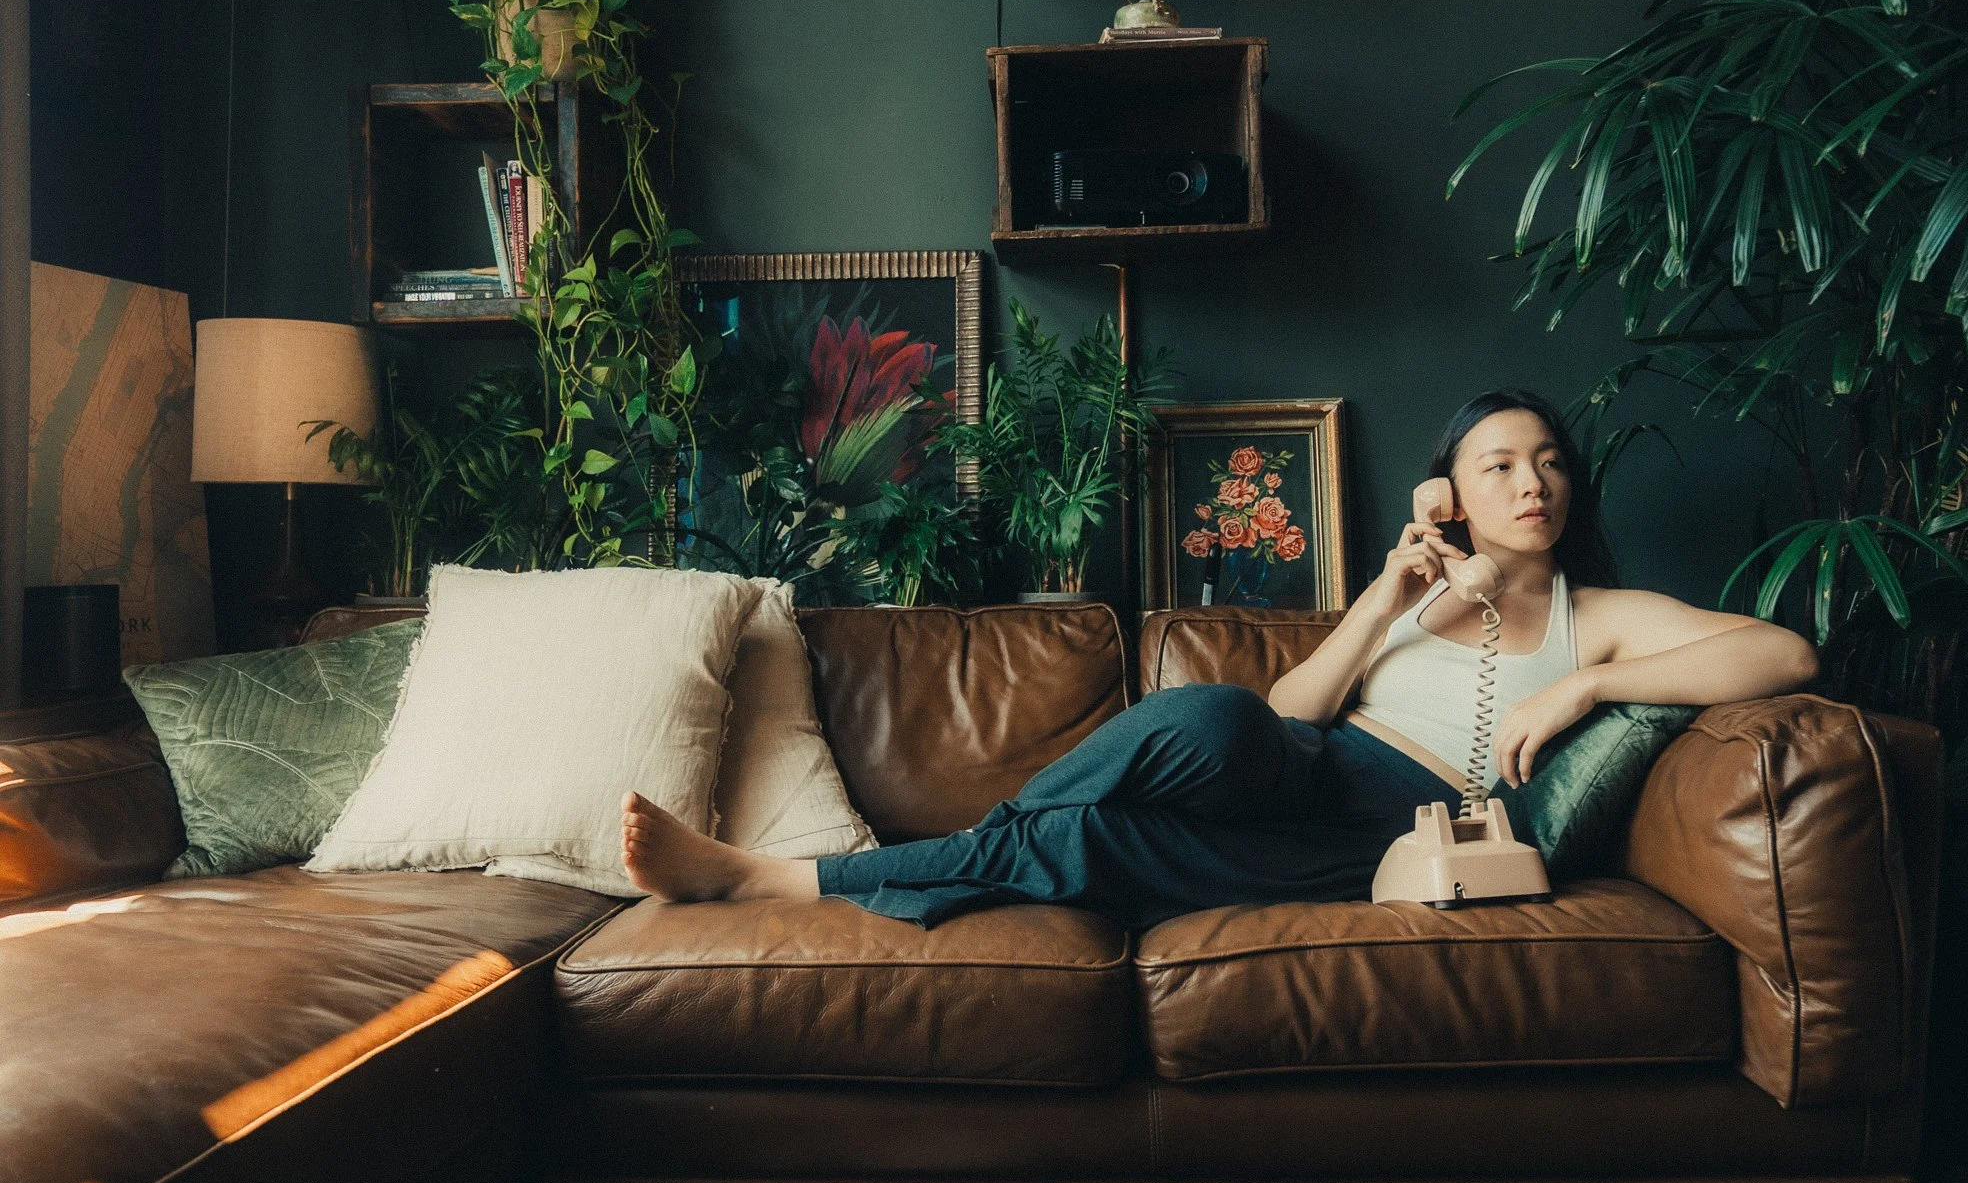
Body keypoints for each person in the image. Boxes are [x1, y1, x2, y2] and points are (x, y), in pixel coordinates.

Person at [620, 389, 1821, 931]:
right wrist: (1382, 597)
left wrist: (1591, 683)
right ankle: (897, 860)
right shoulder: (1408, 586)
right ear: (1448, 488)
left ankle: (777, 882)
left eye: (1548, 461)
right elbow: (1293, 717)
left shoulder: (1595, 613)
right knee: (1208, 717)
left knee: (1085, 839)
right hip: (1302, 765)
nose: (1530, 482)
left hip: (1387, 836)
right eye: (1498, 463)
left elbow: (1782, 650)